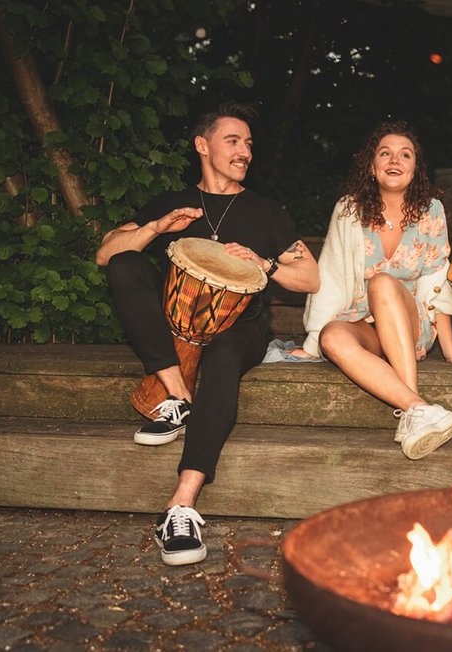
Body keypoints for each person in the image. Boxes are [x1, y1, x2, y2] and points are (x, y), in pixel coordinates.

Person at [95, 103, 320, 566]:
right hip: (173, 327)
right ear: (202, 145)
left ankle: (181, 505)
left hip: (243, 328)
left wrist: (265, 263)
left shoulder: (266, 212)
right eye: (233, 141)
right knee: (126, 262)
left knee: (221, 351)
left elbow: (310, 279)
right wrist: (157, 227)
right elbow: (105, 254)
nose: (244, 152)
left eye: (249, 144)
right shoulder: (169, 203)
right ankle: (177, 394)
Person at [296, 121, 452, 459]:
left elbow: (439, 280)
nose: (395, 160)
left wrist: (451, 351)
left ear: (414, 168)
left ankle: (412, 405)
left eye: (405, 154)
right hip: (365, 324)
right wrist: (312, 344)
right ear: (372, 165)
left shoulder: (431, 211)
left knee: (382, 282)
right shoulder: (349, 210)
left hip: (411, 324)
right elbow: (332, 275)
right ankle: (418, 409)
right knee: (332, 338)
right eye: (385, 153)